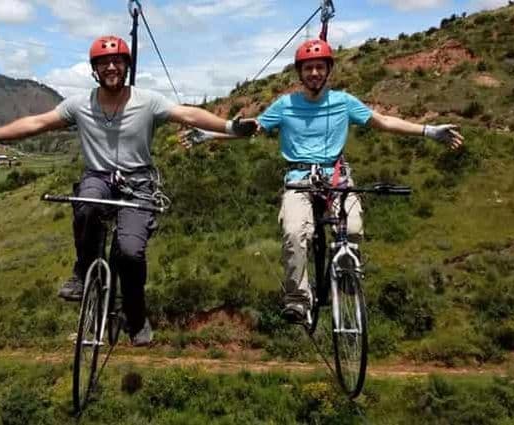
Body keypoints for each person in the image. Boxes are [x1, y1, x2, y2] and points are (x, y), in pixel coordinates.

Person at [0, 35, 256, 345]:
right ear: (94, 70)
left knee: (130, 252)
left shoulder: (148, 101)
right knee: (88, 206)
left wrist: (230, 128)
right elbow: (37, 123)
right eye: (103, 63)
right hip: (97, 176)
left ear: (127, 66)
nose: (111, 67)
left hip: (138, 182)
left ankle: (136, 318)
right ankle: (83, 273)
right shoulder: (79, 104)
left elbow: (189, 115)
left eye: (117, 61)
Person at [182, 39, 463, 325]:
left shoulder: (344, 102)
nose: (314, 73)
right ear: (300, 73)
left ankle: (344, 275)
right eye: (308, 68)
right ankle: (298, 300)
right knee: (293, 232)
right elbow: (249, 129)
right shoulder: (285, 105)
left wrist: (429, 131)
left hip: (336, 177)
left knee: (352, 228)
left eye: (319, 67)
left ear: (328, 70)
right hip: (299, 179)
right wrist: (208, 135)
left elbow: (384, 122)